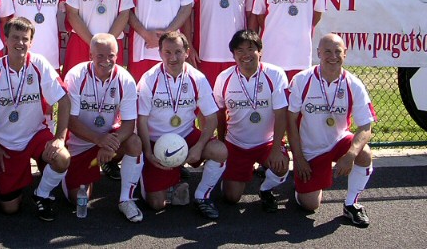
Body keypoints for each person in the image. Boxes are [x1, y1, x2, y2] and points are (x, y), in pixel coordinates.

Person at [0, 17, 71, 222]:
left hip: (36, 134)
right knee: (10, 209)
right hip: (6, 142)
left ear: (31, 42)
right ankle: (0, 175)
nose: (20, 43)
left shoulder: (40, 64)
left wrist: (59, 138)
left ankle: (43, 193)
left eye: (25, 39)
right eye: (15, 38)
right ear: (6, 40)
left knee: (62, 157)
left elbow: (64, 101)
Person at [287, 33, 376, 227]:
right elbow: (290, 121)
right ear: (318, 53)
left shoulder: (354, 84)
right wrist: (299, 159)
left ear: (345, 54)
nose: (333, 56)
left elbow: (366, 127)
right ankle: (303, 184)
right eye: (327, 51)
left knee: (365, 153)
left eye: (338, 51)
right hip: (310, 150)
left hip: (338, 142)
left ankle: (352, 204)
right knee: (309, 205)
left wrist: (350, 155)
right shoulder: (302, 80)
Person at [137, 31, 227, 220]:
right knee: (156, 204)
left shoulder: (198, 78)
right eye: (167, 52)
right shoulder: (149, 79)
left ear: (186, 52)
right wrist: (148, 153)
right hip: (156, 141)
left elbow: (211, 118)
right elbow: (141, 120)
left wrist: (199, 146)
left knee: (220, 151)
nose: (173, 58)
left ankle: (202, 197)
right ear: (160, 53)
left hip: (186, 137)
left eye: (178, 52)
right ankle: (161, 181)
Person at [63, 33, 144, 222]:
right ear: (90, 55)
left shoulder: (126, 80)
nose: (106, 61)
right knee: (78, 200)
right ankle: (78, 172)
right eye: (100, 55)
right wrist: (99, 140)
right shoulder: (75, 76)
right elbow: (70, 121)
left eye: (111, 56)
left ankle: (126, 199)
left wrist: (110, 144)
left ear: (118, 56)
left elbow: (129, 123)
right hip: (80, 143)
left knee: (134, 142)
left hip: (108, 138)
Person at [213, 30, 289, 212]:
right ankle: (236, 174)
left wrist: (277, 148)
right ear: (233, 55)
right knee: (231, 198)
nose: (245, 55)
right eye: (239, 51)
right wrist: (223, 143)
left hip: (266, 143)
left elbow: (281, 115)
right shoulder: (224, 78)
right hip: (236, 144)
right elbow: (219, 114)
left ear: (260, 51)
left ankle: (266, 188)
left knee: (281, 166)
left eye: (251, 48)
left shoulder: (276, 74)